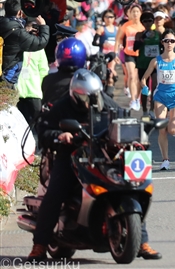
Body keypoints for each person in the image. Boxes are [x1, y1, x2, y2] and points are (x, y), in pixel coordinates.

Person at [29, 69, 161, 261]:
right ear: (76, 95)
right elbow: (43, 132)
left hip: (105, 152)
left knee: (132, 185)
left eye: (95, 95)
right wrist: (59, 135)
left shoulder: (105, 100)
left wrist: (140, 128)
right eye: (87, 98)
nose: (93, 101)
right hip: (72, 154)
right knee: (56, 192)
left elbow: (124, 118)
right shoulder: (62, 107)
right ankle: (39, 245)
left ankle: (141, 242)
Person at [138, 30, 175, 171]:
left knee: (172, 130)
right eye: (167, 41)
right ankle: (165, 159)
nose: (169, 43)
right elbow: (144, 78)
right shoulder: (156, 61)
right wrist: (144, 87)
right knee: (161, 129)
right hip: (160, 96)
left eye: (172, 41)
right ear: (162, 43)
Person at [0, 0, 50, 84]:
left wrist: (25, 30)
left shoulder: (3, 23)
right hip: (8, 72)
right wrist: (43, 26)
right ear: (19, 12)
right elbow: (40, 42)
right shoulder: (19, 33)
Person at [15, 22, 50, 130]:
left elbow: (44, 71)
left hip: (34, 94)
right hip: (18, 94)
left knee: (32, 128)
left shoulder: (39, 48)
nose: (32, 31)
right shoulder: (17, 45)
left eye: (35, 30)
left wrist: (39, 89)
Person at [114, 4, 145, 111]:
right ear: (130, 14)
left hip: (141, 54)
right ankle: (133, 100)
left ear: (141, 13)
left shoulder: (144, 26)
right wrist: (116, 53)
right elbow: (118, 39)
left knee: (139, 78)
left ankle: (137, 97)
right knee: (132, 76)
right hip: (129, 53)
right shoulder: (126, 26)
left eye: (137, 11)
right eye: (133, 12)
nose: (135, 14)